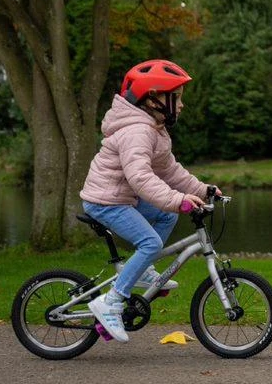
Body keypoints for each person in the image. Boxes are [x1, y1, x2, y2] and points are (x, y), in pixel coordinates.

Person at [80, 59, 220, 342]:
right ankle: (111, 302)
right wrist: (176, 199)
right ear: (153, 98)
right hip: (106, 201)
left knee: (166, 215)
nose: (181, 105)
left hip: (121, 197)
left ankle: (143, 270)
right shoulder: (137, 132)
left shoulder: (153, 129)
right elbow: (140, 178)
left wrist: (203, 190)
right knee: (151, 242)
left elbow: (170, 171)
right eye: (176, 98)